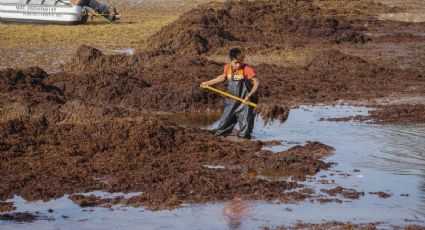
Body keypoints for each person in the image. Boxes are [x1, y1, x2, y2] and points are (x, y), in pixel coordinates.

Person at [200, 48, 260, 139]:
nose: (239, 64)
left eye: (240, 62)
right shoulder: (227, 67)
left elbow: (256, 82)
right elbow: (222, 77)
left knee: (245, 133)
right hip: (232, 102)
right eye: (236, 62)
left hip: (245, 103)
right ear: (230, 61)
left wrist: (249, 95)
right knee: (221, 129)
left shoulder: (247, 69)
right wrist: (207, 83)